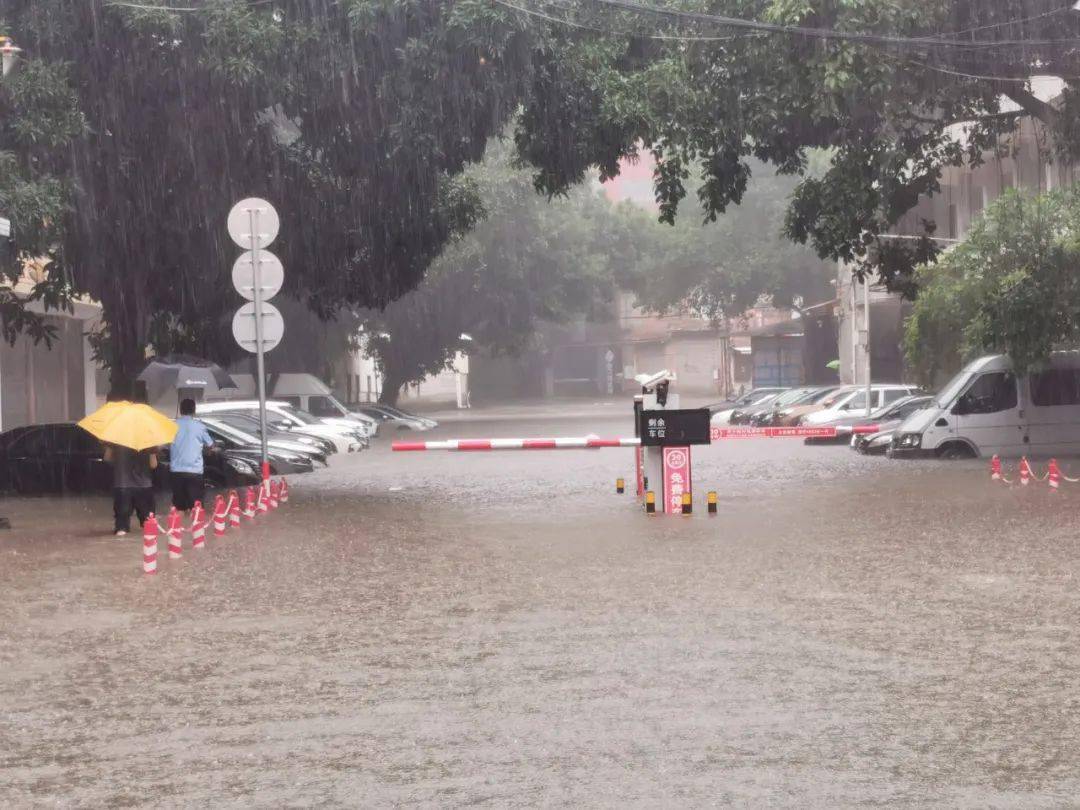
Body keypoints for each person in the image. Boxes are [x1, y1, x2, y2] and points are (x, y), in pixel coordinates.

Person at [104, 383, 158, 537]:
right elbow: (153, 465)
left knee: (121, 529)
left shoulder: (115, 432)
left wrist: (121, 460)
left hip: (122, 485)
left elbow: (107, 458)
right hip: (144, 486)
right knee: (148, 529)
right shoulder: (148, 433)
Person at [169, 398, 214, 514]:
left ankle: (180, 523)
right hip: (195, 472)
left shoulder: (172, 426)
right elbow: (210, 445)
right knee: (196, 509)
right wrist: (206, 451)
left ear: (180, 410)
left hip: (176, 471)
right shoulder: (200, 426)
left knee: (179, 508)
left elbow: (163, 445)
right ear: (194, 410)